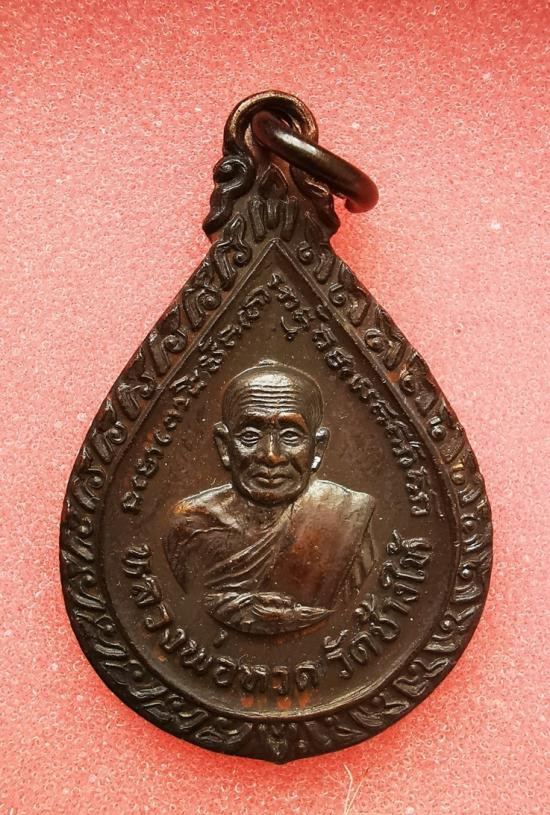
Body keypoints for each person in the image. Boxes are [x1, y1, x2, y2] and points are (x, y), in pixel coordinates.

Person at [164, 360, 375, 635]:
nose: (271, 455)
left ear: (318, 448)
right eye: (250, 435)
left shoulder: (345, 519)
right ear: (224, 446)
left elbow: (352, 613)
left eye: (291, 435)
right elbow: (185, 609)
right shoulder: (190, 527)